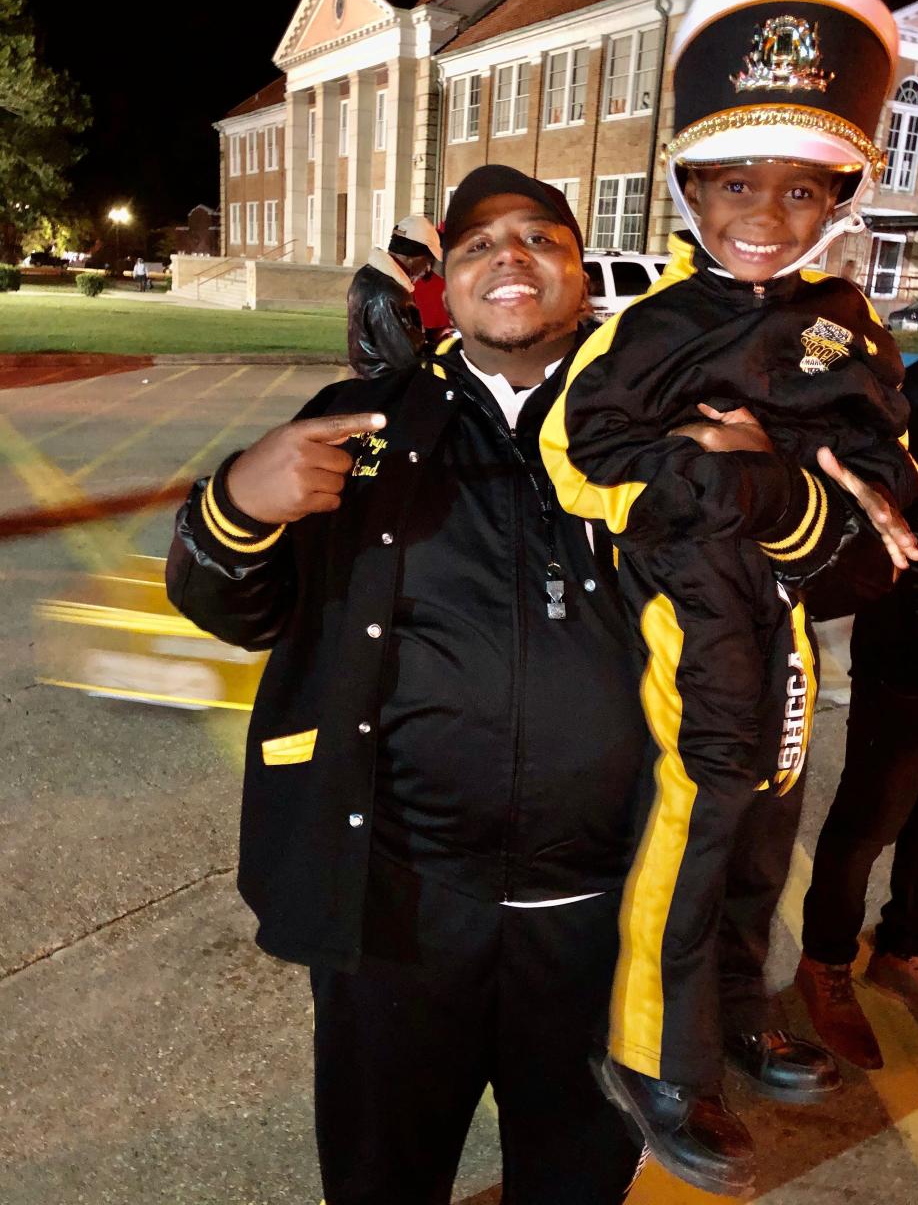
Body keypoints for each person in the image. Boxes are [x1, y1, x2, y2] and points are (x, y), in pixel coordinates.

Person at [165, 165, 650, 1205]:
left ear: (582, 274)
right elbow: (232, 607)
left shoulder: (652, 431)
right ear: (445, 286)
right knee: (384, 1172)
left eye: (540, 238)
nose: (509, 257)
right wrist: (239, 502)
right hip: (400, 903)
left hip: (605, 915)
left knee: (578, 1174)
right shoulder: (362, 420)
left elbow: (833, 577)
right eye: (478, 244)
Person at [540, 0, 918, 1196]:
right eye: (740, 184)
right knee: (698, 820)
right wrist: (750, 484)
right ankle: (652, 1050)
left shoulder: (849, 330)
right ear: (692, 193)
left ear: (838, 205)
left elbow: (881, 511)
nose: (766, 215)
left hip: (791, 622)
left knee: (769, 820)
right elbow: (579, 459)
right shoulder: (649, 326)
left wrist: (772, 484)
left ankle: (742, 1006)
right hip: (683, 617)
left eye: (803, 190)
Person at [797, 336, 918, 1068]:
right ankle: (826, 962)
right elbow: (884, 528)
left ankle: (906, 951)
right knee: (871, 819)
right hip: (917, 652)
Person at [346, 214, 441, 378]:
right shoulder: (389, 293)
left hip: (369, 383)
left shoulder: (367, 275)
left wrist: (434, 336)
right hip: (385, 388)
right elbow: (407, 358)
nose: (427, 269)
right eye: (427, 261)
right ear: (414, 257)